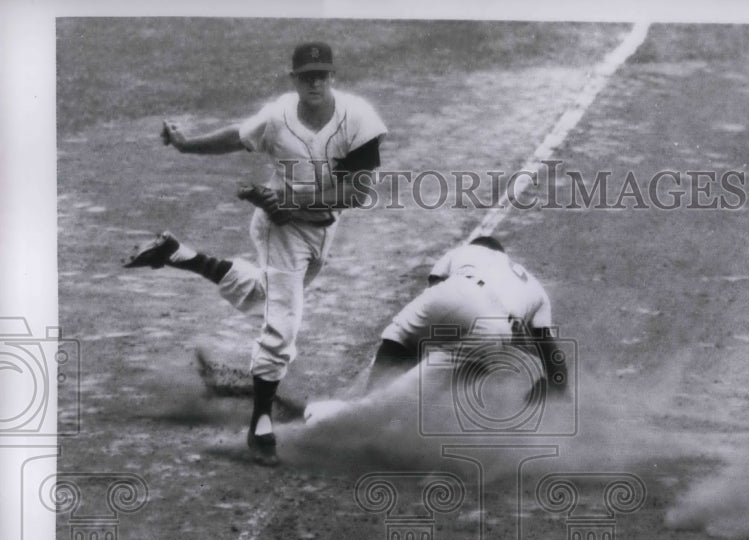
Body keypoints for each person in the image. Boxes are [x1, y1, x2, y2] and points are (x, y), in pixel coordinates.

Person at [123, 41, 387, 466]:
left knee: (267, 298)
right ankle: (259, 426)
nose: (316, 82)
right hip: (279, 231)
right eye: (307, 76)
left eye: (323, 75)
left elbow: (359, 190)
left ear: (332, 77)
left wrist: (296, 202)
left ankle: (181, 255)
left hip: (318, 229)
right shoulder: (279, 116)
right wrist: (187, 144)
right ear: (295, 79)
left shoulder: (357, 118)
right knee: (283, 325)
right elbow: (238, 135)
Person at [304, 235, 569, 426]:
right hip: (497, 328)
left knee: (401, 333)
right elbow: (552, 356)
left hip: (455, 291)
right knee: (439, 382)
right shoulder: (535, 288)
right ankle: (402, 419)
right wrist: (556, 390)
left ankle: (357, 413)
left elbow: (432, 307)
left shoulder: (463, 252)